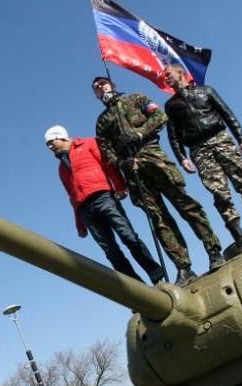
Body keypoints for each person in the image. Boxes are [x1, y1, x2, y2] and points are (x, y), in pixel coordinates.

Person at [92, 76, 224, 285]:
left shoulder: (135, 99)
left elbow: (160, 117)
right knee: (158, 219)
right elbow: (106, 151)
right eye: (97, 88)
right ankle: (183, 267)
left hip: (154, 157)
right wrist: (121, 162)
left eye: (103, 84)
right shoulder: (102, 122)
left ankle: (213, 250)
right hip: (133, 170)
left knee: (185, 204)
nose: (101, 88)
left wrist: (139, 133)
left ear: (112, 84)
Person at [163, 64, 242, 245]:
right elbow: (173, 136)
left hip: (221, 139)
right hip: (199, 150)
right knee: (219, 193)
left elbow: (228, 116)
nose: (165, 78)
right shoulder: (171, 106)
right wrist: (182, 158)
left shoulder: (206, 91)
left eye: (168, 74)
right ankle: (239, 237)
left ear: (180, 73)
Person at [43, 125, 165, 284]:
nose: (50, 147)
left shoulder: (89, 144)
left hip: (104, 198)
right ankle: (137, 289)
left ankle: (157, 276)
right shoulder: (61, 168)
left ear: (61, 137)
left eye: (51, 142)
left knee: (129, 237)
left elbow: (107, 166)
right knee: (111, 252)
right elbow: (71, 196)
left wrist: (120, 187)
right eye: (48, 145)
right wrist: (80, 224)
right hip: (85, 211)